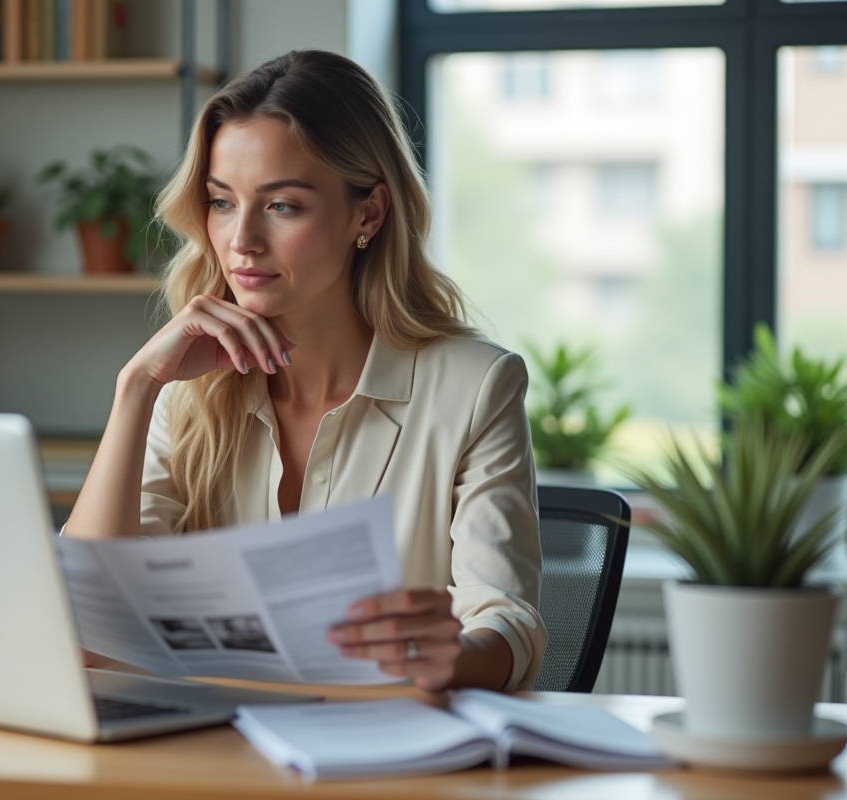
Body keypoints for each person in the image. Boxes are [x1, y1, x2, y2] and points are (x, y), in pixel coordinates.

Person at [64, 49, 546, 692]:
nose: (241, 241)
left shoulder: (475, 386)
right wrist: (136, 390)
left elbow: (506, 619)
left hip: (386, 765)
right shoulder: (186, 392)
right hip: (214, 757)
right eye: (221, 202)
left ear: (368, 214)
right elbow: (84, 632)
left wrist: (447, 656)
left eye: (282, 205)